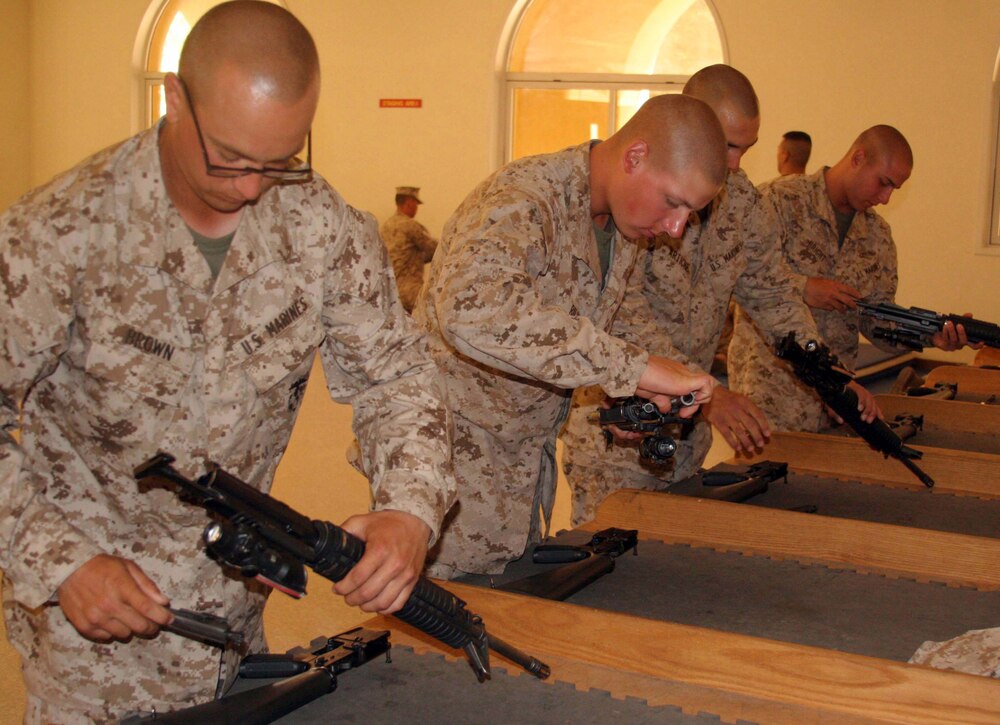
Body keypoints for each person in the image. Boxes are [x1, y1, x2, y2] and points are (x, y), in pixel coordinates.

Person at [0, 3, 454, 721]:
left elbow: (396, 374)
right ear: (174, 98)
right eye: (230, 159)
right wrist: (60, 560)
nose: (250, 188)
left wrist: (408, 507)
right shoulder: (61, 232)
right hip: (88, 644)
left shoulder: (320, 228)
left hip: (231, 621)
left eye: (279, 162)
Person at [415, 93, 725, 578]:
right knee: (440, 635)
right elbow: (470, 310)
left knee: (507, 612)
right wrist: (629, 368)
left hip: (521, 463)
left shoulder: (621, 224)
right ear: (635, 156)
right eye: (673, 203)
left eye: (691, 214)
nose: (676, 228)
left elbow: (568, 329)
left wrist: (621, 393)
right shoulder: (526, 197)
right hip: (453, 465)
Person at [560, 65, 846, 526]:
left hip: (687, 439)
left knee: (678, 567)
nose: (733, 163)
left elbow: (772, 293)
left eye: (746, 148)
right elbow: (620, 312)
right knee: (607, 565)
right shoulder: (640, 196)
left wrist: (825, 372)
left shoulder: (744, 203)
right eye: (729, 145)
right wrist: (706, 394)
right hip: (620, 430)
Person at [729, 125, 967, 432]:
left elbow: (877, 321)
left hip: (837, 401)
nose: (885, 198)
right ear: (858, 158)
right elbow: (737, 279)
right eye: (883, 183)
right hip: (769, 395)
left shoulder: (877, 236)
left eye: (894, 189)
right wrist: (804, 288)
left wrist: (928, 335)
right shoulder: (779, 202)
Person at [380, 185, 438, 312]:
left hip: (389, 292)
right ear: (409, 203)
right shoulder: (410, 225)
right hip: (410, 290)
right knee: (431, 315)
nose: (416, 208)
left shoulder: (385, 227)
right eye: (416, 204)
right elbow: (436, 249)